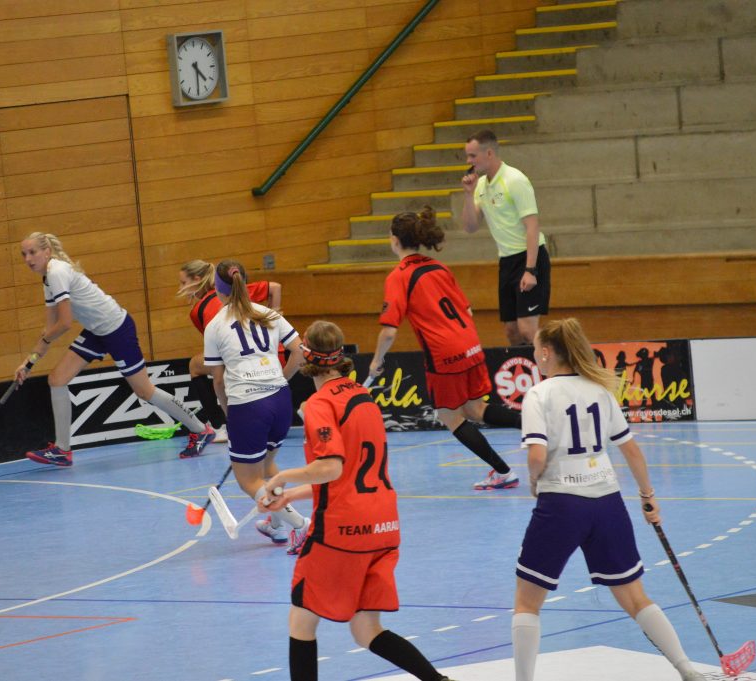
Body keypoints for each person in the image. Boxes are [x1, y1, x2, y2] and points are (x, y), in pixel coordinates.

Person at [261, 320, 458, 681]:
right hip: (384, 525)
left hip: (343, 532)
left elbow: (331, 467)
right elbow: (351, 473)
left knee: (302, 619)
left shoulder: (319, 404)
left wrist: (281, 477)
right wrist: (290, 495)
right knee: (366, 629)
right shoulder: (364, 397)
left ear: (306, 356)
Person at [513, 318, 705, 681]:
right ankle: (686, 669)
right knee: (635, 598)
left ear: (546, 352)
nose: (535, 355)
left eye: (536, 349)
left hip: (562, 503)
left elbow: (536, 456)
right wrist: (648, 498)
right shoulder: (600, 390)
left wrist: (535, 481)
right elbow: (632, 452)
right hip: (607, 503)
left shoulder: (539, 395)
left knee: (527, 602)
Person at [16, 233, 214, 466]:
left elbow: (65, 323)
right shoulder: (48, 279)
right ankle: (62, 450)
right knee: (57, 380)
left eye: (32, 252)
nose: (28, 259)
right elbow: (50, 328)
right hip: (96, 331)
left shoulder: (57, 272)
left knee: (145, 391)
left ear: (47, 251)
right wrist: (29, 362)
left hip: (117, 328)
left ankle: (201, 430)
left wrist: (41, 346)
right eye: (24, 254)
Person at [367, 206, 522, 491]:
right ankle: (539, 427)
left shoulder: (399, 276)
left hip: (444, 355)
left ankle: (503, 472)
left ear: (395, 240)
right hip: (471, 345)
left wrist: (376, 361)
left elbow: (389, 330)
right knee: (475, 409)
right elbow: (467, 311)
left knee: (449, 415)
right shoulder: (439, 267)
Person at [202, 259, 308, 553]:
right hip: (280, 400)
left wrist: (228, 412)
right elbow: (299, 351)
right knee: (267, 466)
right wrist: (282, 378)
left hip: (248, 406)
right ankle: (276, 524)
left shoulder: (215, 326)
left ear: (217, 290)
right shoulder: (268, 313)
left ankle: (300, 525)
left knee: (248, 480)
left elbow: (218, 381)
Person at [177, 259, 282, 451]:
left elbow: (218, 355)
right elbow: (275, 287)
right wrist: (273, 321)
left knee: (196, 365)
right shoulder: (240, 289)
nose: (181, 288)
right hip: (273, 356)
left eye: (183, 283)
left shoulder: (198, 311)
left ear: (197, 279)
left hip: (242, 362)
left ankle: (220, 426)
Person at [460, 129, 550, 346]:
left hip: (529, 257)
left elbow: (532, 226)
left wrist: (530, 270)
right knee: (512, 331)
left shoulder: (515, 180)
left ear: (489, 153)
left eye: (472, 156)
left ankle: (555, 363)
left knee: (527, 329)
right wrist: (468, 194)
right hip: (507, 261)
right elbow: (470, 227)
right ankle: (528, 368)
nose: (468, 161)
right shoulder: (481, 185)